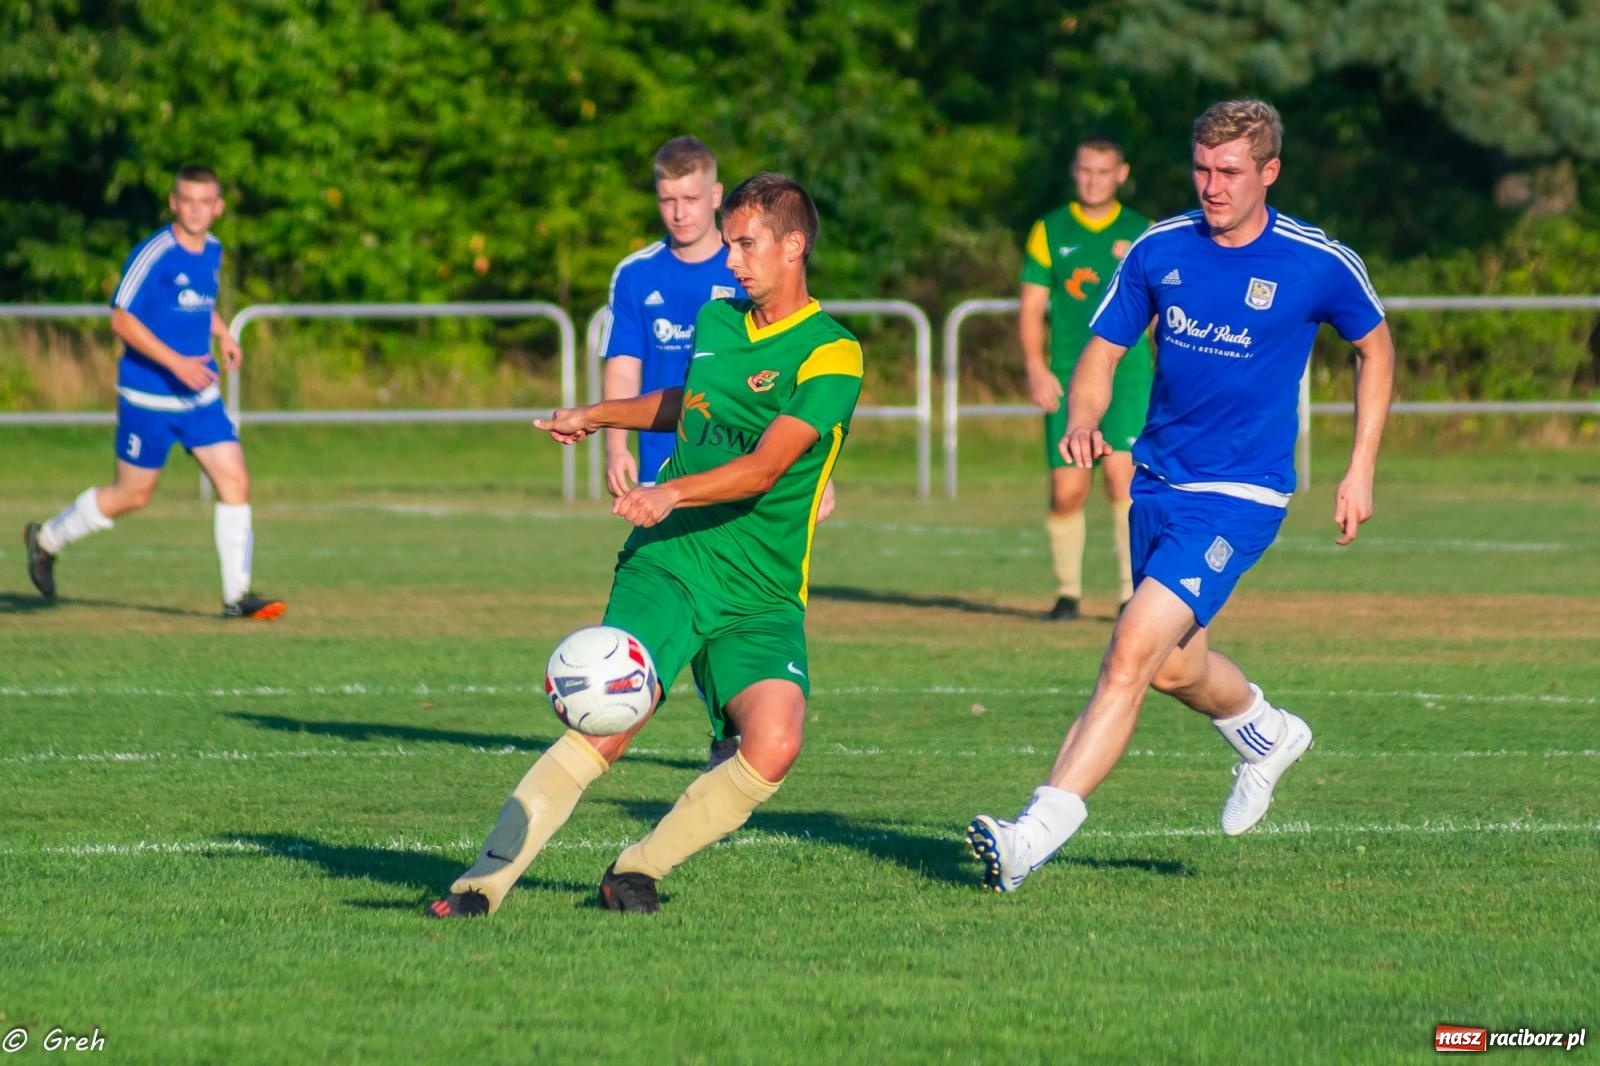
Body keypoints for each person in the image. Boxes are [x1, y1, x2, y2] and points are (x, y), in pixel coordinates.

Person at [968, 99, 1394, 892]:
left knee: (1130, 648)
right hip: (1157, 483)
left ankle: (1031, 836)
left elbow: (1375, 346)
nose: (1211, 185)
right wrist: (1083, 418)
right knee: (1173, 667)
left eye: (1229, 171)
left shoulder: (1316, 261)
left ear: (1269, 171)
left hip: (1241, 495)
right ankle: (1266, 732)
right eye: (1201, 168)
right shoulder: (1159, 248)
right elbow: (1102, 351)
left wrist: (1360, 466)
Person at [430, 173, 862, 917]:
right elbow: (689, 403)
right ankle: (482, 883)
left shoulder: (833, 352)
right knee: (612, 718)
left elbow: (767, 467)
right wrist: (598, 415)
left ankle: (635, 869)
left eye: (745, 245)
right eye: (729, 244)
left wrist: (670, 490)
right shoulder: (719, 319)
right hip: (672, 562)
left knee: (775, 742)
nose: (731, 260)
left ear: (794, 246)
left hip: (762, 591)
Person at [601, 136, 834, 771]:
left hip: (741, 478)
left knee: (727, 607)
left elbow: (800, 401)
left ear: (713, 196)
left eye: (689, 198)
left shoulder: (748, 273)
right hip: (665, 470)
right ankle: (618, 721)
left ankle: (726, 730)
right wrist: (613, 438)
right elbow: (626, 362)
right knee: (668, 610)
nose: (678, 211)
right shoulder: (638, 273)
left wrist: (817, 471)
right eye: (666, 199)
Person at [22, 165, 284, 620]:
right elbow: (121, 320)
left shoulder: (213, 250)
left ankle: (237, 597)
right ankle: (46, 539)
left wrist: (223, 333)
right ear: (174, 203)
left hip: (199, 398)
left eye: (205, 202)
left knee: (235, 481)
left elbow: (197, 304)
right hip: (149, 399)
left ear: (218, 208)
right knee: (132, 495)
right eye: (188, 201)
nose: (196, 210)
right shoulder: (154, 253)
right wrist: (177, 363)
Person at [1019, 137, 1155, 621]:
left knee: (1124, 481)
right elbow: (1032, 307)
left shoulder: (1142, 231)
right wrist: (1036, 368)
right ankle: (1067, 594)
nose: (1093, 180)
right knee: (1068, 491)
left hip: (1130, 374)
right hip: (1068, 374)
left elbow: (1160, 307)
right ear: (1074, 172)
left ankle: (1130, 595)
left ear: (1121, 174)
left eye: (1103, 171)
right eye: (1085, 170)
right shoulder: (1050, 230)